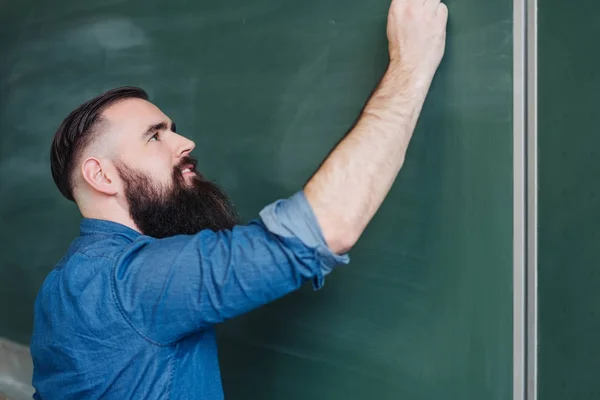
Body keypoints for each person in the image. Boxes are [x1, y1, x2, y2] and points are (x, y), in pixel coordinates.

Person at [30, 0, 447, 398]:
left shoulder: (65, 283)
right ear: (101, 176)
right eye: (155, 136)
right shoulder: (131, 282)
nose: (186, 142)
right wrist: (411, 66)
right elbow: (328, 226)